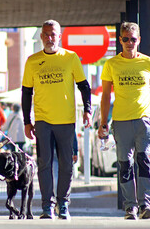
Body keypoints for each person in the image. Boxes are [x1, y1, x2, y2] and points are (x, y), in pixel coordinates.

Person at [21, 19, 91, 220]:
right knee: (44, 163)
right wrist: (27, 121)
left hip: (66, 121)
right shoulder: (32, 61)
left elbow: (84, 86)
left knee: (67, 165)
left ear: (59, 36)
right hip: (43, 121)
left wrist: (87, 110)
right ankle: (47, 206)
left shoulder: (70, 58)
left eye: (53, 34)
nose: (50, 38)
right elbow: (26, 93)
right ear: (41, 37)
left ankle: (63, 203)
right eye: (46, 34)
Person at [98, 22, 150, 220]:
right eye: (125, 39)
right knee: (125, 165)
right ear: (120, 40)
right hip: (121, 121)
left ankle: (146, 205)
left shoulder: (149, 63)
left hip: (144, 121)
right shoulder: (111, 64)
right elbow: (106, 95)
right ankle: (130, 207)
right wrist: (103, 122)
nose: (129, 43)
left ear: (139, 40)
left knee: (144, 162)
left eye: (133, 39)